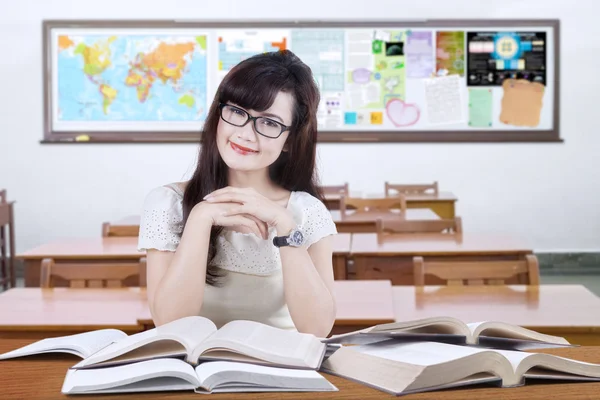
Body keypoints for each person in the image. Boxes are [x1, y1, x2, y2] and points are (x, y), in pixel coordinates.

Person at [137, 50, 338, 338]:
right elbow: (169, 323)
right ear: (219, 115)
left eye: (269, 122)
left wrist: (284, 224)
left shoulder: (307, 211)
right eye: (237, 112)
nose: (245, 133)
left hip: (283, 372)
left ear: (290, 140)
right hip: (197, 375)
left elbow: (318, 328)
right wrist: (200, 219)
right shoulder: (166, 203)